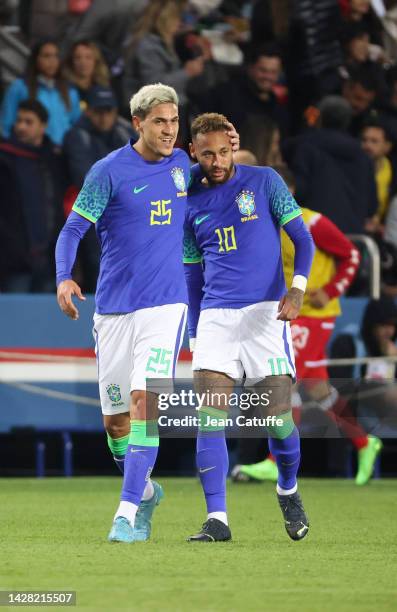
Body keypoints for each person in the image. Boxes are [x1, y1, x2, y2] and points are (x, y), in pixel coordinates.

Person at [55, 83, 239, 544]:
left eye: (174, 122)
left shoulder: (184, 165)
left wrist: (229, 142)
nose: (169, 130)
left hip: (166, 304)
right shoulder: (108, 172)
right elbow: (73, 229)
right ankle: (148, 490)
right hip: (113, 309)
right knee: (116, 423)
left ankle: (125, 513)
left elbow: (222, 168)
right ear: (137, 123)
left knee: (144, 404)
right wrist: (64, 277)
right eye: (160, 121)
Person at [183, 113, 314, 542]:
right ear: (193, 153)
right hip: (217, 318)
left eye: (224, 151)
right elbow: (192, 276)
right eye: (207, 154)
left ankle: (288, 490)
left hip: (266, 316)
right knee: (210, 419)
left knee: (275, 420)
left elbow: (303, 238)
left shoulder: (265, 181)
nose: (218, 161)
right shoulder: (188, 200)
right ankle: (217, 519)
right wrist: (196, 332)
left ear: (233, 146)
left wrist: (297, 289)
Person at [233, 166, 382, 486]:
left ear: (286, 192)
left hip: (316, 311)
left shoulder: (312, 222)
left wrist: (329, 291)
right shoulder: (262, 224)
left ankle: (276, 461)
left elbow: (352, 255)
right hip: (287, 311)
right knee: (316, 386)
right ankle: (365, 442)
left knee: (287, 377)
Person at [63, 85, 134, 292]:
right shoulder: (77, 135)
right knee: (98, 269)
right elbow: (84, 178)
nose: (104, 117)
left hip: (124, 212)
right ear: (88, 111)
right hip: (91, 213)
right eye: (98, 111)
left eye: (108, 111)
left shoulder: (125, 132)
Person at [285, 95, 378, 233]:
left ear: (320, 118)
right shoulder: (363, 155)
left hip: (316, 236)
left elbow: (299, 191)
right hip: (351, 240)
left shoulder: (306, 147)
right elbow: (371, 207)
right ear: (347, 120)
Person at [0, 99, 66, 291]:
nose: (21, 127)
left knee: (44, 318)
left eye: (28, 122)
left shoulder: (54, 160)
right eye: (19, 121)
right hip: (14, 261)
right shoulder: (4, 159)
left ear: (43, 126)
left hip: (48, 260)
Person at [0, 39, 81, 145]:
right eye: (46, 56)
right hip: (28, 151)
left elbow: (76, 125)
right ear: (36, 59)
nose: (52, 61)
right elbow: (6, 124)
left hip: (62, 153)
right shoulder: (19, 87)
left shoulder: (70, 91)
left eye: (56, 56)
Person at [361, 119, 394, 227]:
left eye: (374, 141)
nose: (367, 146)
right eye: (364, 140)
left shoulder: (393, 171)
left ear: (387, 146)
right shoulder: (353, 168)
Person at [62, 40, 111, 107]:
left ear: (96, 61)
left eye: (88, 57)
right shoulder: (64, 89)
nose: (83, 62)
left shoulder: (104, 87)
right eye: (77, 57)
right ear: (71, 62)